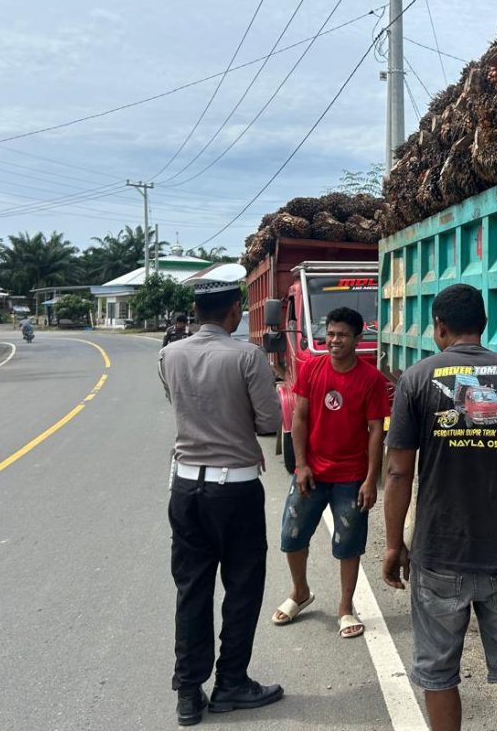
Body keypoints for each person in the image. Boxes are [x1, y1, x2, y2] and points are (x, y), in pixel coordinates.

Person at [383, 283, 497, 731]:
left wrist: (391, 544)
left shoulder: (417, 380)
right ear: (486, 324)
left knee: (438, 671)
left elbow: (398, 472)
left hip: (440, 551)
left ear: (439, 328)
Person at [158, 263, 284, 726]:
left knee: (192, 589)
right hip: (235, 490)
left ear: (196, 311)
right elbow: (270, 422)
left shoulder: (170, 354)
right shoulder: (247, 357)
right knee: (242, 587)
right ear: (234, 311)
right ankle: (231, 682)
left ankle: (188, 694)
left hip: (186, 486)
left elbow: (180, 403)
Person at [272, 306, 389, 638]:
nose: (334, 340)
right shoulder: (312, 368)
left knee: (348, 544)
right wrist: (302, 465)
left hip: (350, 477)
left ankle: (345, 607)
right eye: (331, 334)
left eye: (342, 335)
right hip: (311, 472)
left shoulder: (372, 380)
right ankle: (300, 592)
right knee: (292, 536)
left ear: (357, 338)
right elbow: (299, 418)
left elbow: (376, 432)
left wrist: (370, 480)